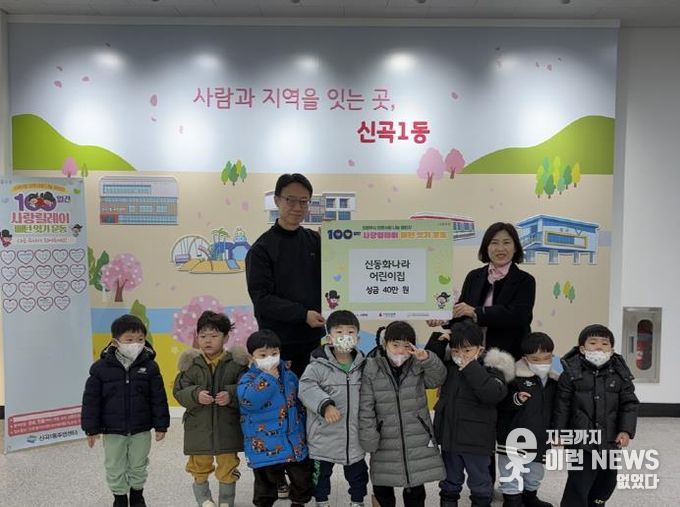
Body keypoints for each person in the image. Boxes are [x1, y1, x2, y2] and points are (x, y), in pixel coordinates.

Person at [81, 315, 170, 507]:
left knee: (139, 463)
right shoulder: (100, 369)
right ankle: (120, 497)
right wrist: (91, 428)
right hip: (112, 430)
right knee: (114, 465)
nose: (135, 344)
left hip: (141, 428)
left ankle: (137, 495)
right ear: (115, 342)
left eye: (140, 339)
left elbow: (158, 398)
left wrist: (161, 425)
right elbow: (91, 401)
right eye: (129, 340)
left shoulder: (150, 367)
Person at [426, 320, 515, 507]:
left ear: (480, 349)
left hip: (477, 442)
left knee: (480, 483)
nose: (461, 355)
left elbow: (493, 394)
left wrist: (471, 368)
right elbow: (427, 365)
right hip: (450, 437)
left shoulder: (491, 368)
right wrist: (439, 341)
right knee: (449, 481)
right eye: (456, 351)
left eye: (467, 350)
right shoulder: (449, 367)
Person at [245, 173, 326, 379]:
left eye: (304, 201)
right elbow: (262, 299)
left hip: (312, 340)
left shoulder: (315, 241)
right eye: (290, 200)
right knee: (280, 395)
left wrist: (336, 242)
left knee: (311, 393)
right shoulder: (261, 249)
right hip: (277, 345)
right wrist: (302, 314)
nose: (298, 207)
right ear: (277, 200)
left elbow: (336, 277)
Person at [359, 321, 447, 507]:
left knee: (415, 488)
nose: (400, 351)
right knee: (383, 487)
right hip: (384, 440)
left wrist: (427, 358)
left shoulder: (417, 365)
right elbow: (366, 406)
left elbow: (437, 379)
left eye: (406, 346)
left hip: (415, 438)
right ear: (385, 344)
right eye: (395, 345)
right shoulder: (371, 368)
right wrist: (368, 436)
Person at [553, 324, 639, 507]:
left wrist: (625, 430)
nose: (599, 347)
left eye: (604, 344)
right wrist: (558, 431)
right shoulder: (571, 374)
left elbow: (629, 404)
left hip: (610, 438)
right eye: (593, 343)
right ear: (582, 349)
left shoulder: (620, 374)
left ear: (611, 350)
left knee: (608, 480)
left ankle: (596, 503)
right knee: (579, 481)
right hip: (580, 439)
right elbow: (562, 405)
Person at [173, 311, 249, 507]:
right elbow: (179, 390)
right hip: (198, 427)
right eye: (203, 336)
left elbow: (247, 387)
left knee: (228, 463)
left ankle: (226, 500)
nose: (208, 340)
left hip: (227, 427)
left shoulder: (236, 364)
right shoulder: (191, 364)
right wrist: (195, 394)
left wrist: (231, 394)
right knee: (199, 463)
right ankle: (204, 499)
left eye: (214, 336)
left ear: (226, 337)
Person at [429, 222, 536, 361]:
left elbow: (519, 316)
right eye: (494, 243)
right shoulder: (474, 276)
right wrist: (443, 318)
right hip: (470, 355)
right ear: (486, 247)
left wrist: (476, 312)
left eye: (506, 242)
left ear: (515, 247)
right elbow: (462, 314)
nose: (500, 248)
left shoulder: (525, 280)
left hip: (506, 357)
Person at [299, 310, 369, 507]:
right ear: (329, 338)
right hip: (323, 437)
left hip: (353, 437)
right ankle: (321, 502)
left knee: (359, 475)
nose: (345, 336)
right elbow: (306, 388)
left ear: (358, 338)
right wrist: (325, 405)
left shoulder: (364, 366)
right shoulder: (317, 366)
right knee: (320, 475)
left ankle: (357, 502)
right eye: (339, 332)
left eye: (350, 332)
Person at [237, 329, 314, 507]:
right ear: (251, 357)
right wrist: (267, 378)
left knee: (302, 479)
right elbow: (250, 400)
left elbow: (299, 401)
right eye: (263, 355)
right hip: (264, 444)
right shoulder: (248, 379)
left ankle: (298, 502)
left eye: (274, 354)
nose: (270, 358)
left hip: (292, 440)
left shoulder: (289, 375)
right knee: (266, 484)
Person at [496, 332, 559, 507]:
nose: (542, 363)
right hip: (513, 435)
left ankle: (530, 497)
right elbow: (500, 401)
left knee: (535, 472)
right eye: (536, 359)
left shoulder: (555, 381)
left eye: (547, 358)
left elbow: (560, 409)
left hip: (540, 436)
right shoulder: (513, 377)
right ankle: (512, 500)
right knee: (511, 470)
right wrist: (516, 399)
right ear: (525, 358)